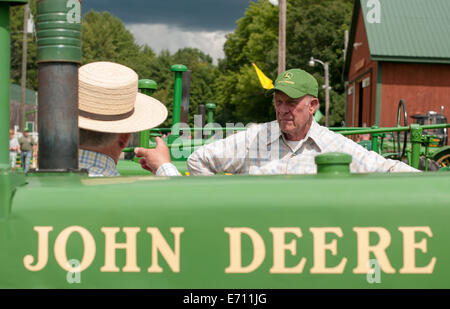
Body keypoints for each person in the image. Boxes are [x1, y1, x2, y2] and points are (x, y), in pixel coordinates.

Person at [184, 68, 419, 175]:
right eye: (278, 102)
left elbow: (387, 169)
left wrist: (437, 185)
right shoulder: (255, 138)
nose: (283, 110)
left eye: (291, 102)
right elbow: (198, 160)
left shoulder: (333, 145)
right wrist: (227, 208)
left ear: (312, 106)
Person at [78, 61, 179, 177]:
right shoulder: (128, 192)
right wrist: (164, 166)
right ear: (124, 138)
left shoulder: (54, 180)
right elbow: (185, 195)